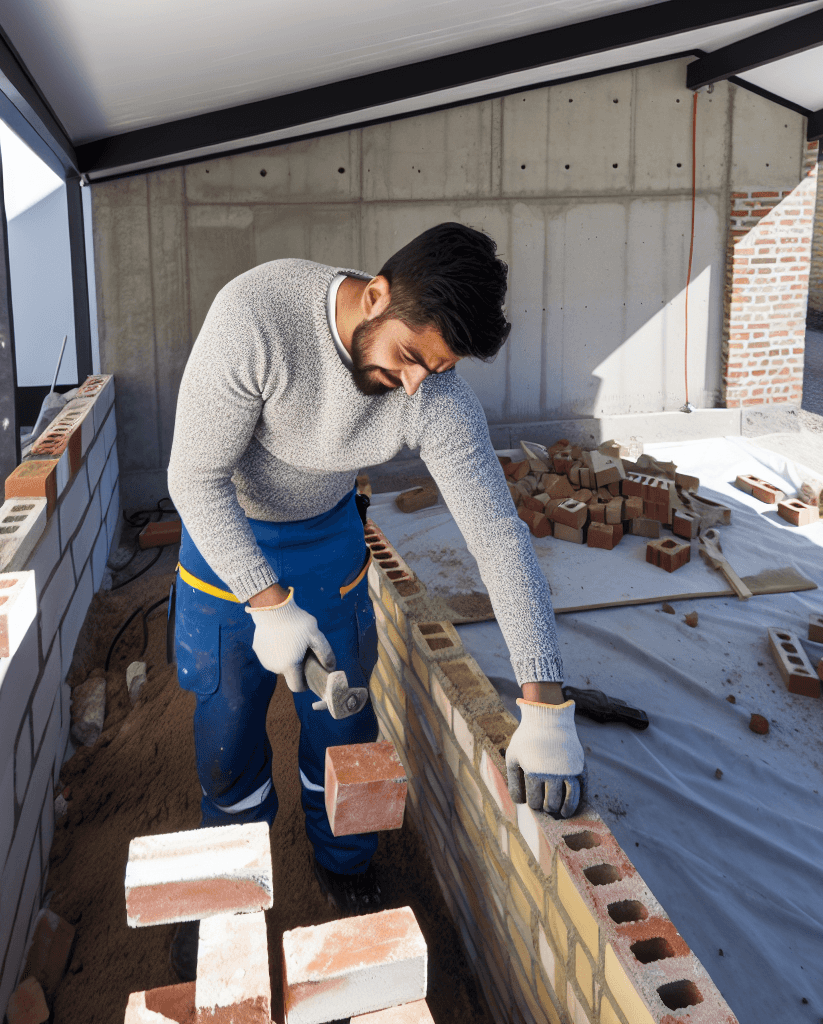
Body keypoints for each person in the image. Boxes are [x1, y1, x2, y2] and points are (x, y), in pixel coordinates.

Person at [165, 223, 584, 976]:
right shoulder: (256, 317)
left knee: (344, 722)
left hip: (328, 543)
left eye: (441, 367)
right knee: (227, 733)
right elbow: (192, 478)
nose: (420, 382)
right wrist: (264, 602)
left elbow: (497, 536)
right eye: (412, 357)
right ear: (377, 295)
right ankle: (224, 887)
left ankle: (345, 863)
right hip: (225, 542)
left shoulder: (434, 391)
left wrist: (545, 704)